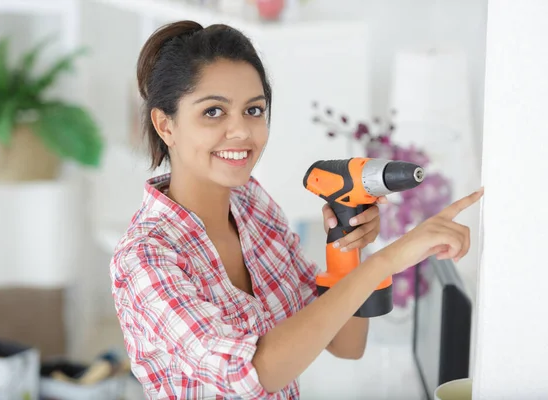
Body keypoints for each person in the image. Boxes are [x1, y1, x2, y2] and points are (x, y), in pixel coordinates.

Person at [109, 20, 484, 400]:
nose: (241, 131)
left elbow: (346, 344)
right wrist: (387, 261)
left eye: (253, 110)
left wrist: (348, 247)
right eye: (213, 112)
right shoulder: (146, 257)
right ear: (165, 125)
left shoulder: (253, 206)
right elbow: (252, 373)